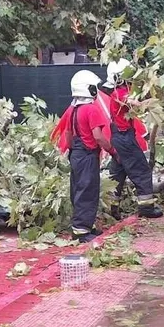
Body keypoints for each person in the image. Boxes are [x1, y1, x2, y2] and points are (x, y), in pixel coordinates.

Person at [51, 70, 114, 241]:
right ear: (89, 89)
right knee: (88, 191)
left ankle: (85, 225)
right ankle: (81, 231)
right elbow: (99, 137)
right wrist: (112, 151)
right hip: (87, 155)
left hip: (76, 154)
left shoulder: (72, 110)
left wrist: (73, 153)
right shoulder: (92, 110)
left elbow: (68, 135)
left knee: (78, 189)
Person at [100, 60, 164, 219]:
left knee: (117, 175)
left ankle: (112, 208)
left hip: (119, 137)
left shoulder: (120, 90)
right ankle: (146, 208)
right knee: (142, 171)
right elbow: (133, 103)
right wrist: (154, 103)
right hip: (124, 138)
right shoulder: (119, 92)